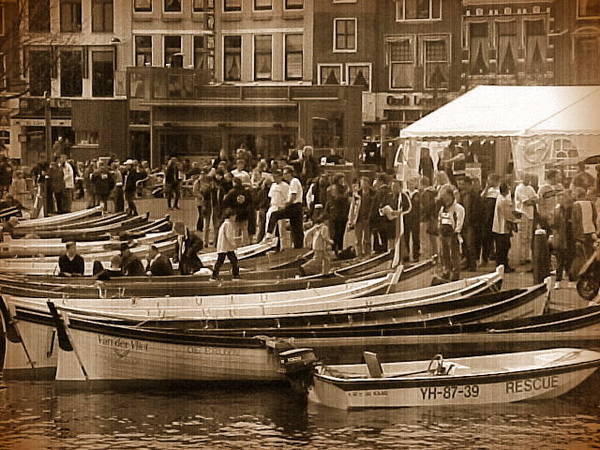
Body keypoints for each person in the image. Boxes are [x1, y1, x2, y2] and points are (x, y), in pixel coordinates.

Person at [265, 166, 304, 249]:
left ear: (290, 174)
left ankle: (269, 233)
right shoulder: (293, 182)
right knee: (296, 227)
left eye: (286, 174)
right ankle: (298, 246)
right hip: (296, 207)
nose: (284, 176)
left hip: (294, 206)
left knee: (275, 215)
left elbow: (292, 197)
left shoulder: (293, 182)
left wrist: (284, 206)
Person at [438, 185, 465, 281]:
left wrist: (456, 231)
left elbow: (459, 222)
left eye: (445, 196)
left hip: (452, 235)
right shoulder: (443, 208)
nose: (444, 199)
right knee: (444, 254)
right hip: (443, 234)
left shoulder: (458, 208)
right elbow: (440, 218)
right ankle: (446, 271)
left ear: (450, 195)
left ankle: (456, 273)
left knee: (454, 255)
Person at [492, 182, 521, 273]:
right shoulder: (503, 200)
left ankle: (501, 265)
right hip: (502, 228)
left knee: (501, 247)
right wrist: (516, 220)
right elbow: (507, 215)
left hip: (498, 227)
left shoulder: (499, 198)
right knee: (503, 248)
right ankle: (503, 265)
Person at [301, 207, 334, 275]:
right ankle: (304, 267)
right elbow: (324, 236)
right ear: (325, 220)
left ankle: (325, 272)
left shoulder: (318, 226)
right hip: (320, 246)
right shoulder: (324, 227)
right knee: (317, 259)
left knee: (326, 259)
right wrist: (330, 241)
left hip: (318, 245)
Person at [514, 173, 538, 265]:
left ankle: (527, 256)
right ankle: (522, 257)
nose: (528, 180)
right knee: (523, 237)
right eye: (526, 178)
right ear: (522, 178)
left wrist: (531, 201)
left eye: (529, 178)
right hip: (523, 213)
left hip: (530, 214)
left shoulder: (530, 188)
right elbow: (526, 202)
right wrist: (532, 200)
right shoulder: (519, 188)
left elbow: (537, 199)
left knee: (529, 237)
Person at [552, 190, 575, 287]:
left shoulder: (571, 209)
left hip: (568, 237)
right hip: (560, 238)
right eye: (559, 198)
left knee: (569, 259)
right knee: (560, 261)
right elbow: (553, 224)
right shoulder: (557, 210)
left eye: (563, 197)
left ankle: (570, 280)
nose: (561, 200)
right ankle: (558, 281)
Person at [211, 209, 241, 280]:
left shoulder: (224, 224)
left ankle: (235, 274)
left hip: (225, 247)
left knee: (230, 260)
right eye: (234, 216)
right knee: (227, 261)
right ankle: (235, 275)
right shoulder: (228, 224)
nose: (235, 217)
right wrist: (234, 244)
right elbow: (229, 236)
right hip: (226, 247)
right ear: (231, 216)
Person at [324, 173, 350, 255]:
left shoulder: (342, 188)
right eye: (341, 179)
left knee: (341, 232)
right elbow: (338, 198)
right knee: (336, 233)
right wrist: (346, 193)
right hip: (336, 213)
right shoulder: (334, 188)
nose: (343, 181)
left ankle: (340, 249)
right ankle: (335, 250)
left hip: (342, 213)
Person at [419, 175, 438, 260]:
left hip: (425, 218)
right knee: (433, 239)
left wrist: (423, 213)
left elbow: (425, 206)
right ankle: (435, 255)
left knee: (424, 239)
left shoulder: (425, 193)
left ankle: (426, 256)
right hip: (432, 218)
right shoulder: (434, 192)